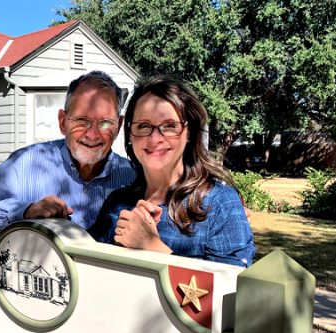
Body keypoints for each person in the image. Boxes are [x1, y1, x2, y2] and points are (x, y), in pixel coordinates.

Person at [89, 75, 255, 267]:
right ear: (129, 134)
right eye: (143, 126)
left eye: (169, 126)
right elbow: (86, 265)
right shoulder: (117, 203)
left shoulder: (219, 204)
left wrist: (152, 246)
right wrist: (53, 222)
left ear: (189, 132)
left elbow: (229, 288)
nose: (155, 138)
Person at [0, 71, 136, 230]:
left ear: (118, 126)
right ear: (62, 122)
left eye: (105, 123)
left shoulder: (132, 178)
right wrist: (25, 211)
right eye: (81, 120)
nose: (92, 134)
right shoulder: (27, 163)